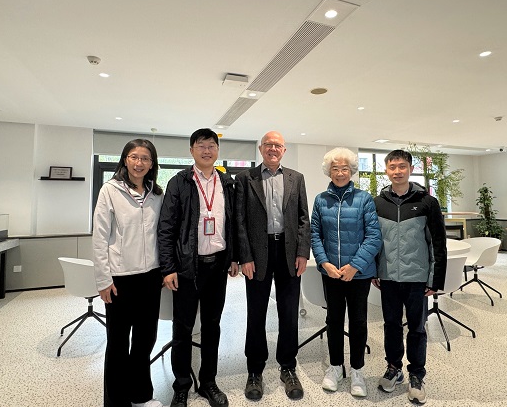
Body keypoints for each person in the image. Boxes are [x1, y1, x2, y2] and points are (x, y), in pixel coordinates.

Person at [158, 128, 239, 407]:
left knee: (212, 326)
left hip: (217, 267)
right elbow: (166, 227)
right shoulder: (179, 182)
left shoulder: (227, 182)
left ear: (218, 150)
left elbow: (233, 223)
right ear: (191, 150)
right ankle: (181, 385)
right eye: (201, 145)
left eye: (211, 145)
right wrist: (168, 268)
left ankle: (208, 382)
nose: (207, 150)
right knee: (183, 328)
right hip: (186, 268)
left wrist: (234, 257)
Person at [234, 131, 310, 401]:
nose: (273, 149)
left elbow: (303, 218)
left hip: (289, 252)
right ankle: (254, 370)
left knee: (289, 313)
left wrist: (302, 252)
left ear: (284, 150)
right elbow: (239, 220)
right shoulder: (245, 178)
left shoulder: (296, 178)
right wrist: (245, 256)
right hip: (257, 254)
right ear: (261, 148)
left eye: (278, 145)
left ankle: (288, 367)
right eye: (268, 145)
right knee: (256, 313)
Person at [92, 138, 165, 407]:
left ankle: (141, 395)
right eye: (134, 157)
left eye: (145, 158)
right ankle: (116, 401)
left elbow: (162, 234)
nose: (139, 163)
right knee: (118, 343)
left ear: (152, 164)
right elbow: (100, 237)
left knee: (146, 340)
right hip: (120, 278)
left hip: (151, 277)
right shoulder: (110, 190)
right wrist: (103, 279)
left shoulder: (157, 194)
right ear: (125, 159)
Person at [373, 150, 447, 405]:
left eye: (402, 166)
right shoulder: (378, 203)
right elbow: (373, 240)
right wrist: (375, 270)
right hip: (388, 278)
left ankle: (416, 374)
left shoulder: (427, 202)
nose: (397, 171)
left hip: (417, 278)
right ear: (386, 171)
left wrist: (435, 280)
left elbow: (438, 243)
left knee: (417, 328)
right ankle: (394, 368)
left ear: (411, 169)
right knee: (391, 325)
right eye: (392, 167)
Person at [310, 147, 382, 397]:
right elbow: (315, 235)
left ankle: (357, 370)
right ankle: (335, 367)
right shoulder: (321, 200)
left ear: (351, 171)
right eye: (335, 168)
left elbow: (374, 236)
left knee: (359, 321)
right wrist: (324, 263)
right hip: (331, 273)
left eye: (344, 168)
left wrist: (355, 266)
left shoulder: (364, 199)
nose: (340, 173)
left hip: (358, 274)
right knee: (334, 320)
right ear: (328, 171)